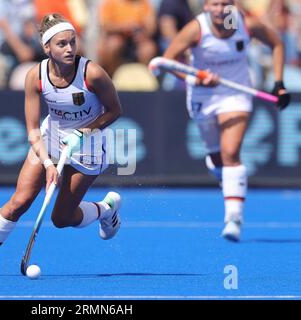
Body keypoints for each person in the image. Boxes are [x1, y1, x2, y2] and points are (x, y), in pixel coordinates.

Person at [0, 13, 123, 276]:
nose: (70, 48)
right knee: (20, 201)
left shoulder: (92, 73)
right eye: (62, 44)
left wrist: (84, 131)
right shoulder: (34, 76)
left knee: (61, 219)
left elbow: (115, 110)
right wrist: (49, 164)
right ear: (46, 47)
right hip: (50, 140)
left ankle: (106, 210)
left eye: (72, 42)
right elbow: (32, 131)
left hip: (88, 147)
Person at [162, 0, 291, 241]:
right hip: (203, 96)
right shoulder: (195, 29)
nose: (221, 9)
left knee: (230, 152)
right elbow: (167, 61)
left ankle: (233, 218)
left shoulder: (247, 24)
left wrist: (279, 83)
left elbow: (277, 44)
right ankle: (224, 175)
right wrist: (196, 77)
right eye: (215, 4)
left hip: (237, 94)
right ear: (206, 7)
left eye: (226, 4)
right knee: (216, 158)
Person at [97, 0, 157, 77]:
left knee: (148, 49)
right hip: (117, 36)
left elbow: (151, 26)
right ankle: (110, 79)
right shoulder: (110, 2)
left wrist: (143, 34)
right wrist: (124, 27)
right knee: (113, 45)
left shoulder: (144, 3)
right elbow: (105, 25)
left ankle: (147, 81)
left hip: (138, 39)